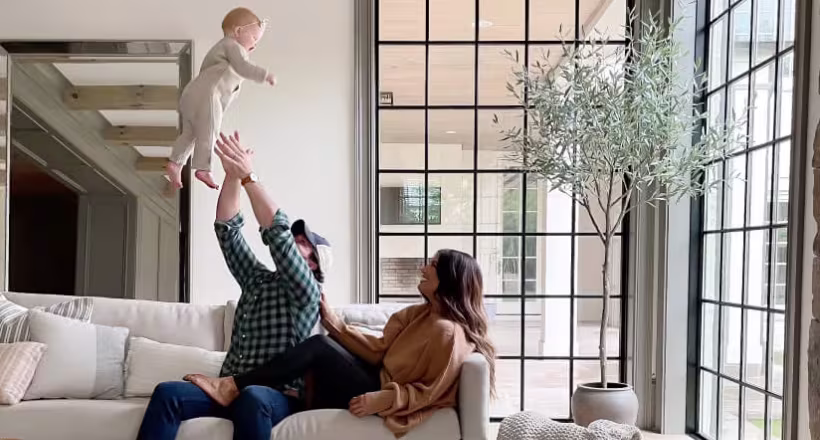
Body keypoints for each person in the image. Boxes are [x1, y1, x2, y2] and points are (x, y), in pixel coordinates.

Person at [137, 132, 332, 440]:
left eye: (305, 243)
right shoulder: (257, 280)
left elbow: (277, 235)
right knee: (168, 393)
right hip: (227, 390)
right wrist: (231, 177)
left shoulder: (306, 292)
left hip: (275, 398)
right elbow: (228, 233)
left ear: (314, 264)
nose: (297, 241)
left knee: (253, 396)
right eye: (298, 238)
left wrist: (249, 177)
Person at [185, 249, 497, 438]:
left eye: (432, 263)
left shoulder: (447, 333)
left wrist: (383, 400)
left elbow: (430, 391)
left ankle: (233, 385)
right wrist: (334, 322)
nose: (423, 267)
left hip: (383, 392)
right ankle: (260, 390)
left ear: (449, 277)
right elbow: (377, 350)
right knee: (322, 346)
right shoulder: (419, 314)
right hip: (377, 379)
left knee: (319, 346)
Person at [166, 7, 277, 190]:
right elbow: (243, 67)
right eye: (254, 38)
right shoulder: (232, 46)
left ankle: (175, 163)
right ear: (238, 31)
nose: (255, 45)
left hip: (192, 95)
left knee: (190, 134)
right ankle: (203, 168)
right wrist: (264, 75)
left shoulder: (219, 49)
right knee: (210, 130)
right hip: (207, 95)